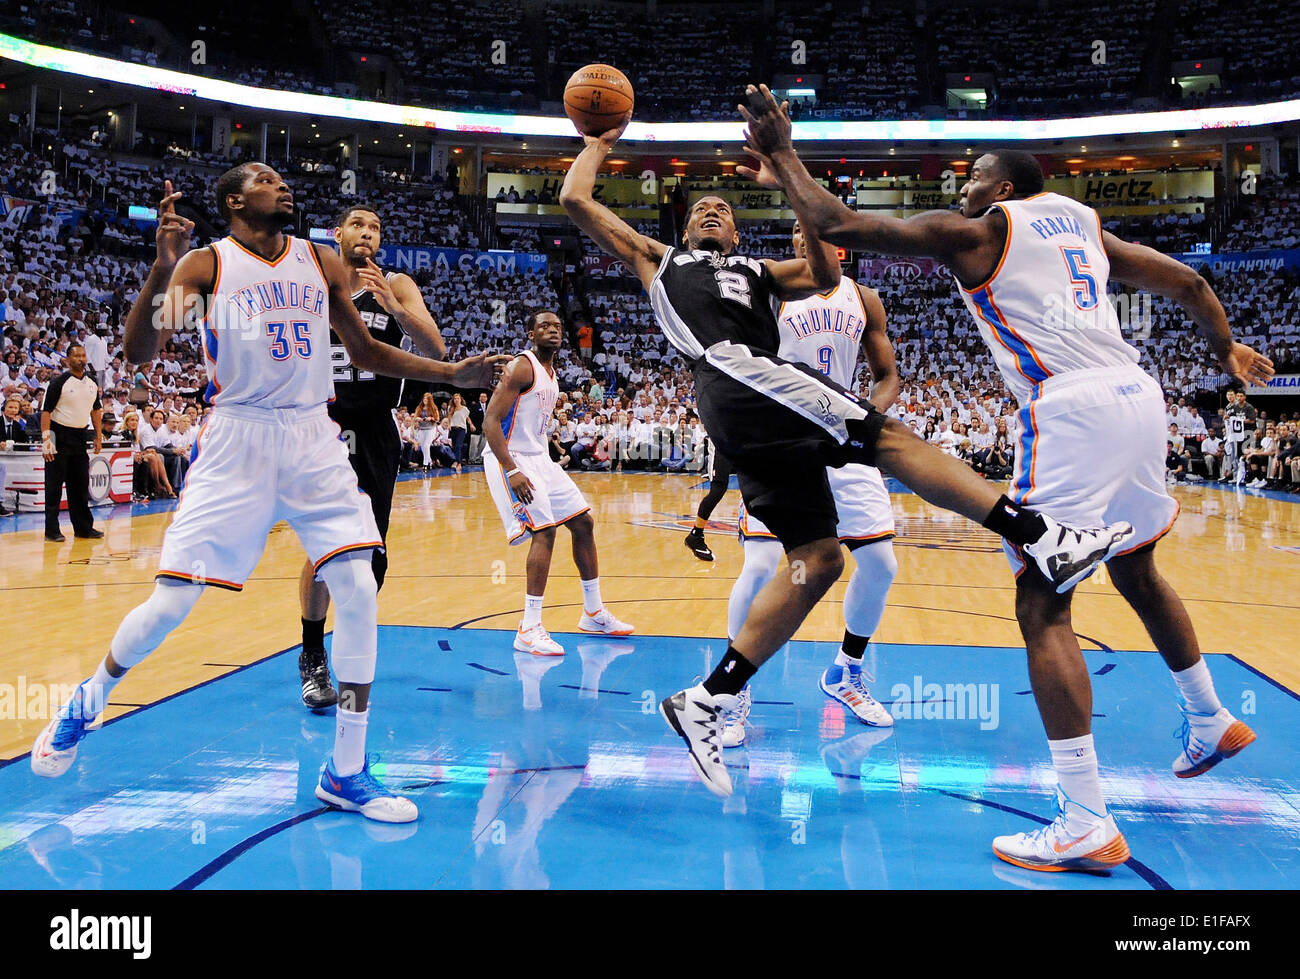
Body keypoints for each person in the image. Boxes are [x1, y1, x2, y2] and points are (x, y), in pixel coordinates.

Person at [747, 86, 1273, 870]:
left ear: (1002, 189)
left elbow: (837, 226)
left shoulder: (981, 230)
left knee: (1041, 600)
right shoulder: (1086, 226)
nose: (961, 186)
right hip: (1138, 397)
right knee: (1136, 564)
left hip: (1068, 405)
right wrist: (1227, 350)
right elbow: (1190, 286)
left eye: (971, 177)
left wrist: (782, 151)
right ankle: (1206, 714)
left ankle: (1085, 817)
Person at [561, 106, 1133, 804]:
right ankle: (1045, 538)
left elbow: (828, 269)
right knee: (887, 438)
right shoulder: (660, 260)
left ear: (739, 231)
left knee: (822, 557)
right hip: (736, 371)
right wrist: (596, 144)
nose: (712, 208)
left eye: (723, 207)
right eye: (700, 206)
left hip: (753, 400)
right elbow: (574, 199)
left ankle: (709, 698)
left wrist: (786, 188)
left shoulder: (759, 270)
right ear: (681, 228)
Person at [30, 168, 506, 825]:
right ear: (233, 201)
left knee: (360, 586)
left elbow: (367, 349)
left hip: (313, 434)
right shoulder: (205, 265)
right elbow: (142, 348)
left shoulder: (318, 261)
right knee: (172, 602)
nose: (282, 187)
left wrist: (451, 374)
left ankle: (345, 769)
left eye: (284, 181)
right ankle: (91, 696)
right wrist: (161, 269)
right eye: (265, 180)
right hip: (238, 438)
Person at [719, 220, 903, 747]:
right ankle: (733, 690)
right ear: (793, 242)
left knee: (881, 564)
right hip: (782, 436)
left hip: (844, 435)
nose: (806, 234)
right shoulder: (769, 290)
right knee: (758, 566)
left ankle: (846, 671)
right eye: (798, 229)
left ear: (834, 241)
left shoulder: (864, 297)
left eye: (814, 226)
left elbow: (888, 374)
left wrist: (865, 417)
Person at [297, 204, 445, 711]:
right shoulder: (313, 278)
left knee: (371, 549)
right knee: (324, 544)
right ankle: (313, 655)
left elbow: (436, 349)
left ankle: (350, 642)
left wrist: (398, 311)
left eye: (376, 226)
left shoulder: (397, 284)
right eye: (358, 224)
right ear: (337, 233)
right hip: (321, 423)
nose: (367, 232)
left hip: (376, 428)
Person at [481, 310, 634, 656]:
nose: (552, 331)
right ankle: (529, 627)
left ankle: (593, 612)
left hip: (539, 458)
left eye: (557, 327)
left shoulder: (552, 372)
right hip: (511, 457)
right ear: (531, 333)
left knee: (583, 522)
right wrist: (511, 469)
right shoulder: (522, 367)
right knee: (545, 531)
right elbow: (490, 422)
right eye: (544, 326)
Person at [41, 343, 103, 542]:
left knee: (80, 485)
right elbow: (46, 412)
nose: (81, 359)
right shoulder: (59, 382)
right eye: (76, 356)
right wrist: (46, 441)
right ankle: (52, 530)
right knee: (54, 486)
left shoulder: (92, 382)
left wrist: (98, 436)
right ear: (67, 360)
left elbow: (95, 411)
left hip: (79, 436)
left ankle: (83, 528)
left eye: (83, 355)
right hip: (58, 435)